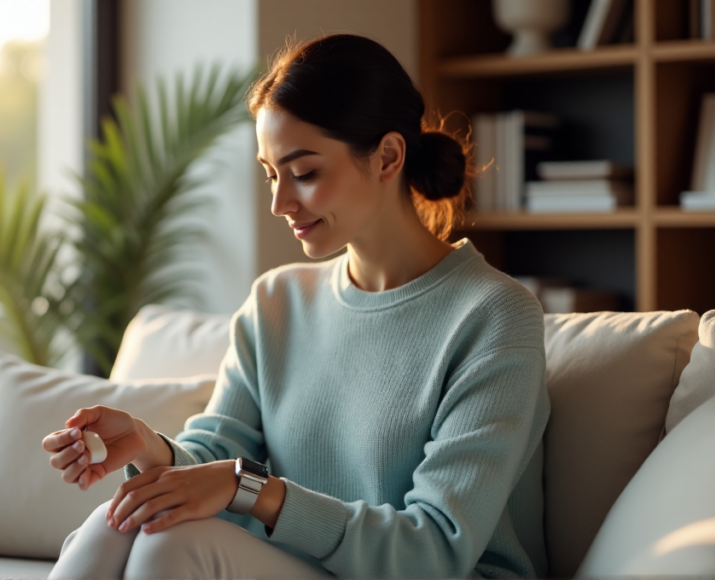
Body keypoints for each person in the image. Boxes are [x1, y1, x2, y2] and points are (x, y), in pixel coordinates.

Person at [42, 33, 550, 579]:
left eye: (304, 172)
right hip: (301, 565)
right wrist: (148, 445)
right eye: (271, 174)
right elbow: (215, 456)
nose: (280, 203)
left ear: (387, 156)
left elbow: (434, 551)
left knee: (170, 546)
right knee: (115, 522)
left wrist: (252, 488)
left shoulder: (494, 315)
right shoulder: (277, 301)